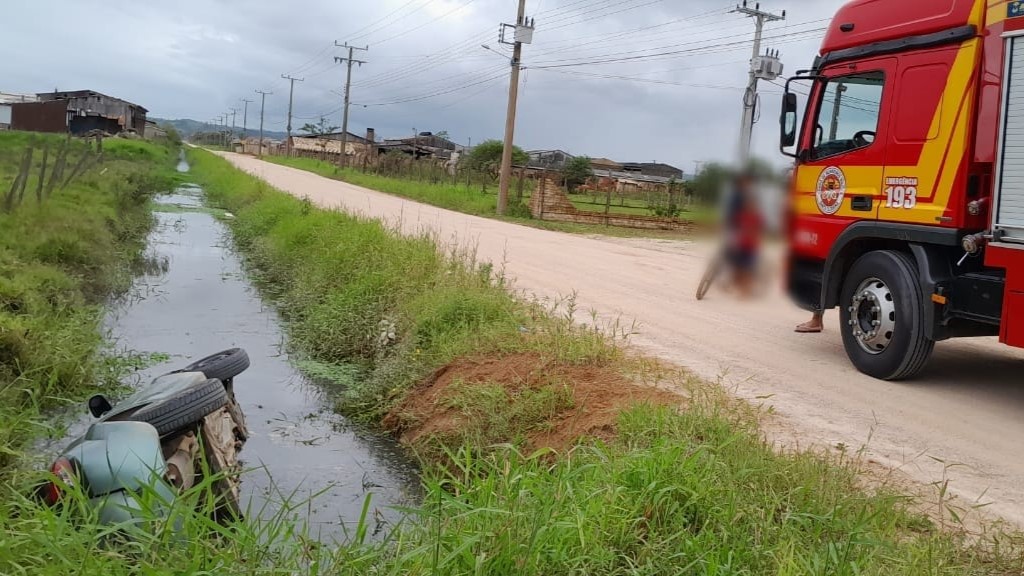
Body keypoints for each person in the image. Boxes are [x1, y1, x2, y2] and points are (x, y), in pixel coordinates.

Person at [724, 172, 763, 298]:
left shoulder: (743, 197)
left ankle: (739, 285)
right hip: (738, 233)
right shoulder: (739, 196)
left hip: (744, 238)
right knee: (739, 261)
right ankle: (736, 284)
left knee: (742, 263)